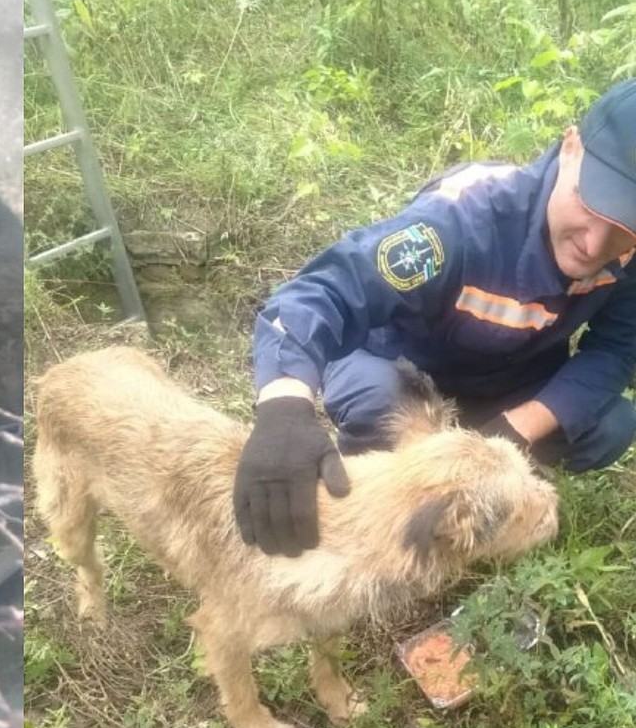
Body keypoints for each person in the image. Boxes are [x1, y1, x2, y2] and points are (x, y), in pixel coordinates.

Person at [234, 78, 636, 557]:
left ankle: (497, 504)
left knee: (609, 425)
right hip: (401, 364)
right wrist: (283, 404)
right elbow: (323, 291)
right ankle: (380, 511)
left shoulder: (629, 258)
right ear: (571, 148)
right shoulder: (460, 221)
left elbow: (615, 350)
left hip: (503, 386)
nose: (595, 246)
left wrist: (515, 431)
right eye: (592, 207)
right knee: (378, 403)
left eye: (624, 230)